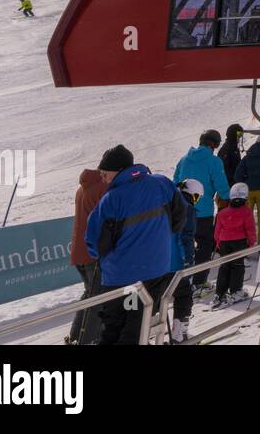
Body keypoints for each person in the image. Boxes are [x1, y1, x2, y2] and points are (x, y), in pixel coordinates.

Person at [85, 145, 188, 344]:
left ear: (119, 170)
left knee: (117, 328)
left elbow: (96, 243)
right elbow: (179, 218)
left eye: (105, 173)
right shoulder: (162, 184)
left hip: (124, 279)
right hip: (156, 271)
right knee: (138, 324)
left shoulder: (111, 200)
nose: (103, 178)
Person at [173, 130, 231, 291]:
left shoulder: (184, 159)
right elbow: (221, 184)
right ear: (214, 144)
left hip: (182, 209)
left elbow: (175, 181)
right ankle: (199, 282)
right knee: (205, 244)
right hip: (202, 211)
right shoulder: (214, 161)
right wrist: (229, 198)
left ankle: (180, 281)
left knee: (184, 243)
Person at [66, 162, 110, 344]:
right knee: (97, 298)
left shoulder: (82, 187)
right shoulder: (103, 187)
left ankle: (76, 336)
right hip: (93, 252)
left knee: (90, 294)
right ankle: (87, 340)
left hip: (79, 251)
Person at [212, 183, 257, 306]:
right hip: (239, 242)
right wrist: (251, 242)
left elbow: (217, 230)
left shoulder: (222, 213)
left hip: (224, 242)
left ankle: (219, 293)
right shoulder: (246, 212)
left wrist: (217, 242)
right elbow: (250, 229)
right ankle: (235, 290)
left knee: (225, 266)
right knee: (237, 266)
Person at [168, 179, 201, 342]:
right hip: (176, 260)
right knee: (184, 294)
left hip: (159, 259)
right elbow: (186, 237)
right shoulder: (187, 209)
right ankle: (179, 332)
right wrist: (188, 260)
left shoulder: (169, 200)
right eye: (197, 197)